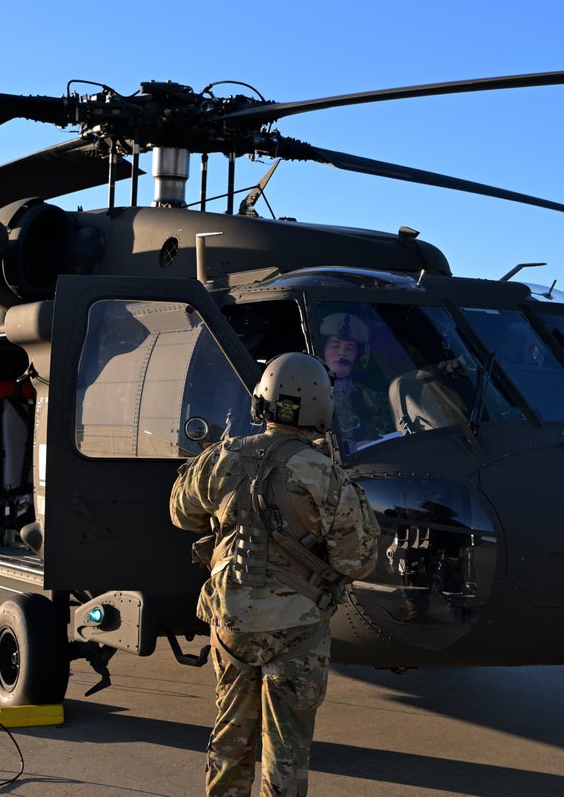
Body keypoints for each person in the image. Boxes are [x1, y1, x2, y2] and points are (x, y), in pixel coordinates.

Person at [169, 352, 381, 796]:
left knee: (230, 741)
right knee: (285, 752)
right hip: (297, 629)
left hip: (231, 624)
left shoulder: (222, 457)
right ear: (322, 408)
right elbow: (356, 561)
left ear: (262, 401)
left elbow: (181, 512)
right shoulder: (326, 476)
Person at [319, 312, 393, 451]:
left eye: (350, 348)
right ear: (322, 350)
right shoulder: (308, 396)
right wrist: (350, 447)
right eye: (335, 346)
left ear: (360, 355)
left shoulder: (375, 399)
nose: (342, 353)